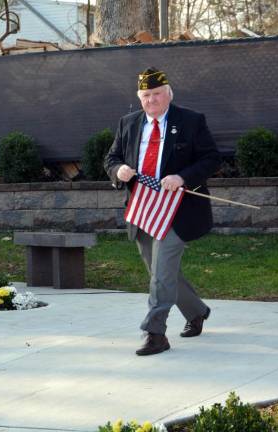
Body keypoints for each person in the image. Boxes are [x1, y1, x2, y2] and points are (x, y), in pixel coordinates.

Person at [104, 68, 222, 356]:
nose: (152, 100)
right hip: (142, 207)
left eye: (157, 94)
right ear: (139, 98)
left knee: (161, 273)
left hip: (178, 208)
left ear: (169, 94)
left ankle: (155, 333)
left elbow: (211, 158)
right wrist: (118, 170)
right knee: (160, 271)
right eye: (146, 95)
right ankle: (196, 312)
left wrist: (182, 177)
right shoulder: (128, 123)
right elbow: (111, 158)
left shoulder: (191, 121)